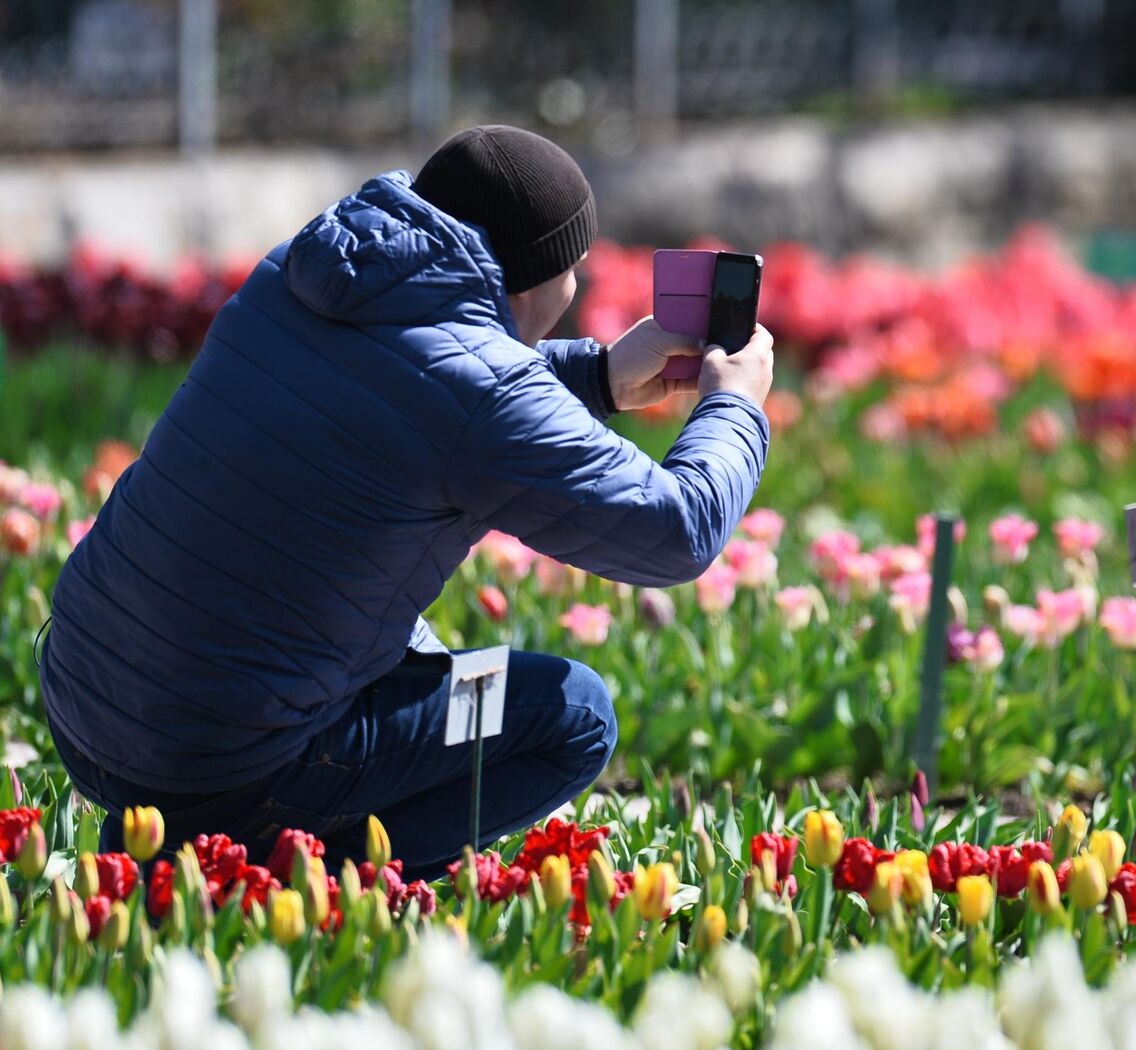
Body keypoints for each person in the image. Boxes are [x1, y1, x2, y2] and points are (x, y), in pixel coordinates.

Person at [38, 125, 776, 877]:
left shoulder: (299, 275)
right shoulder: (483, 397)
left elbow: (417, 386)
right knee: (572, 712)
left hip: (85, 703)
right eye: (575, 263)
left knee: (416, 648)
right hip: (218, 765)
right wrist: (736, 405)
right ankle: (291, 878)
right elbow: (678, 530)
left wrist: (598, 378)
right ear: (539, 279)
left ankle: (188, 843)